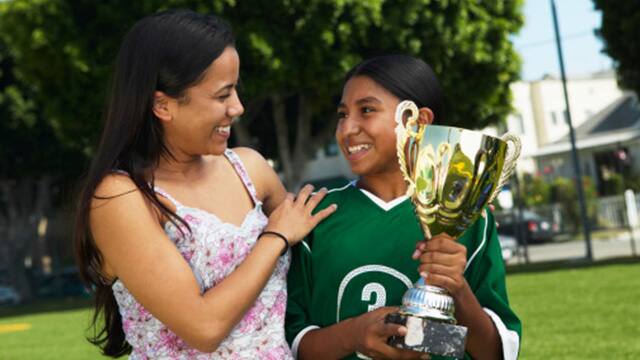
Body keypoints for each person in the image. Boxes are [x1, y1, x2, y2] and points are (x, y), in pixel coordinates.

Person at [74, 9, 336, 359]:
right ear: (163, 105)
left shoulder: (250, 170)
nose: (238, 108)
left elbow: (325, 249)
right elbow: (204, 328)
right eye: (222, 95)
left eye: (236, 91)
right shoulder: (120, 197)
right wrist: (274, 238)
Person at [285, 54, 522, 360]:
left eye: (366, 110)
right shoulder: (314, 215)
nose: (347, 129)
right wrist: (354, 334)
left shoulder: (470, 218)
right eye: (342, 114)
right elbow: (291, 345)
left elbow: (494, 353)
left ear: (418, 121)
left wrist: (456, 290)